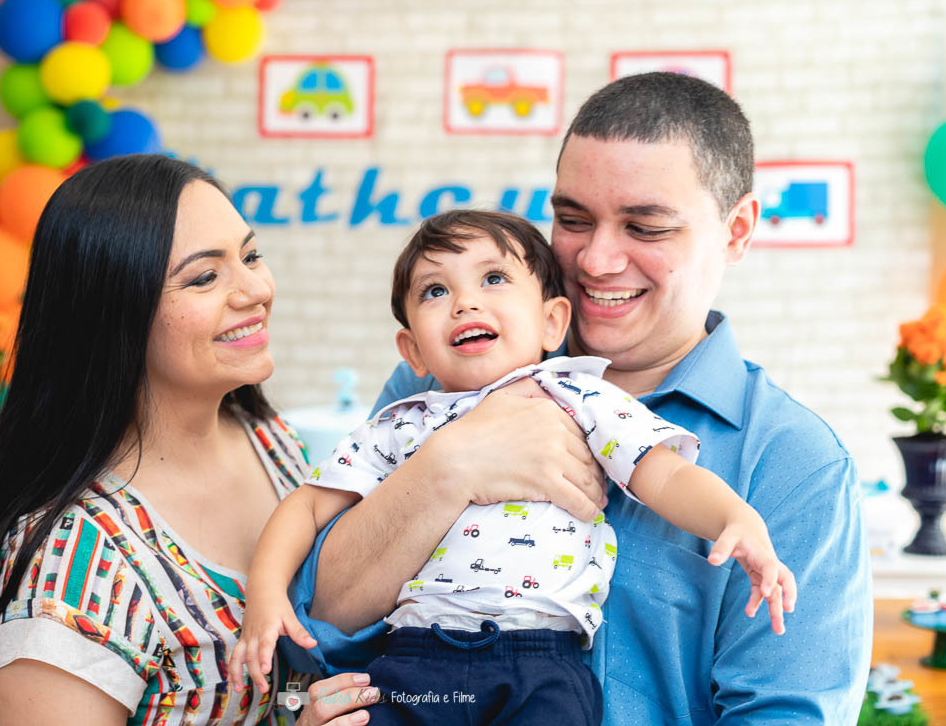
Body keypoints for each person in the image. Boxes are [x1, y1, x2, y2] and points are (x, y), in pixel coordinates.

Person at [290, 73, 873, 724]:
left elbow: (783, 715)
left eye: (644, 227)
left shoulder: (793, 462)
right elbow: (321, 623)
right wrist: (450, 468)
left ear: (736, 231)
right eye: (572, 220)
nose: (595, 260)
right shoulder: (439, 386)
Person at [231, 210, 796, 725]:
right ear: (413, 351)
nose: (465, 303)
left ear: (552, 322)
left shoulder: (580, 397)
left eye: (494, 278)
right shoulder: (400, 424)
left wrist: (735, 518)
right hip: (419, 660)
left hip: (541, 660)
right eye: (435, 290)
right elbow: (307, 505)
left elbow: (663, 474)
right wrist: (266, 592)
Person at [0, 155, 378, 726]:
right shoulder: (73, 566)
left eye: (250, 256)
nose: (255, 290)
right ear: (114, 311)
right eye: (204, 277)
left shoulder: (272, 441)